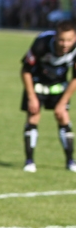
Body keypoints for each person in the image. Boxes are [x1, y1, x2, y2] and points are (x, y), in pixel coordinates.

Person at [21, 19, 76, 173]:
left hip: (59, 86)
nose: (65, 44)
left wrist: (62, 103)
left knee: (63, 116)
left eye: (69, 40)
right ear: (55, 37)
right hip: (37, 83)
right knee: (33, 115)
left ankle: (70, 161)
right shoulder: (41, 44)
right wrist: (31, 97)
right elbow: (25, 71)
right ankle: (29, 161)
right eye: (62, 40)